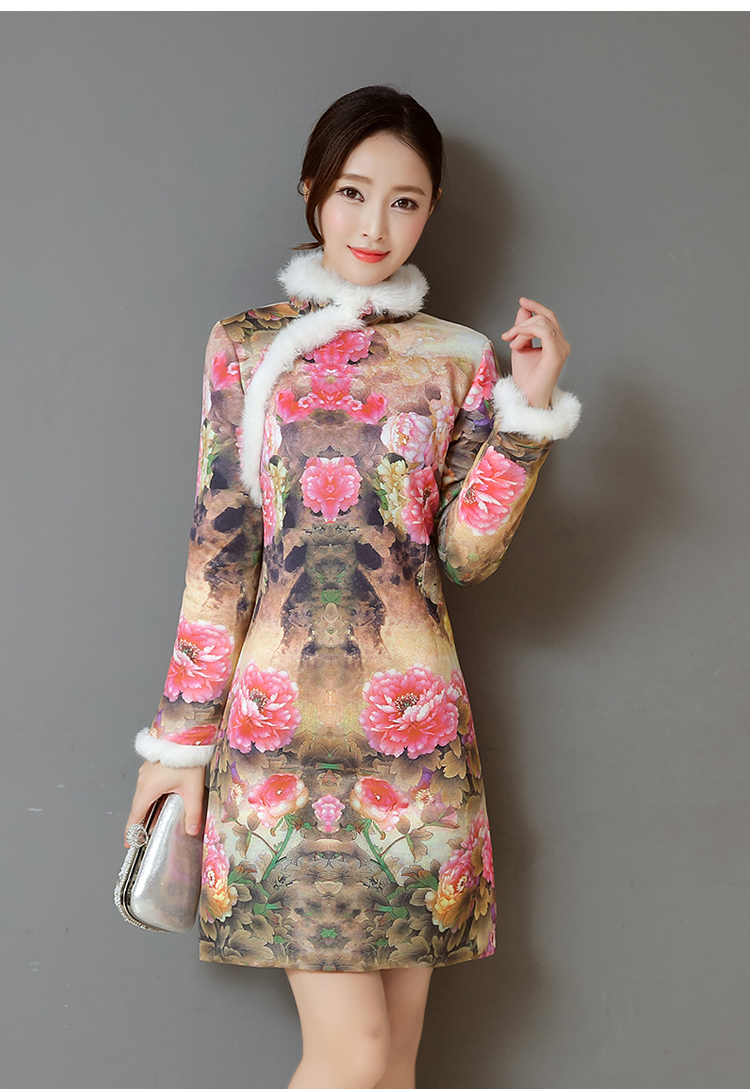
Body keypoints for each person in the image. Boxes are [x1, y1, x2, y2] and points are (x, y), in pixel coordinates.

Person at [124, 84, 581, 1089]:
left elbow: (464, 554)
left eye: (405, 201)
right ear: (313, 191)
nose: (376, 224)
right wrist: (179, 746)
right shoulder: (244, 346)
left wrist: (526, 415)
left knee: (397, 1062)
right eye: (354, 193)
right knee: (355, 1052)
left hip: (417, 740)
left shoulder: (459, 357)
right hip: (278, 738)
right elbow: (221, 551)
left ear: (432, 210)